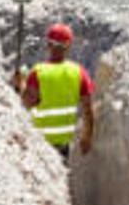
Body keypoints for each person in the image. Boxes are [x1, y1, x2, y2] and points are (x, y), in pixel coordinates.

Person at [22, 23, 96, 159]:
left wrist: (20, 85)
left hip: (40, 144)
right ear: (68, 46)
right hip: (63, 145)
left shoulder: (38, 72)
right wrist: (87, 137)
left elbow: (26, 103)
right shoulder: (79, 72)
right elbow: (88, 110)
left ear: (48, 45)